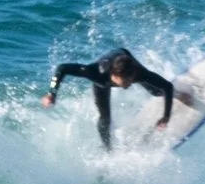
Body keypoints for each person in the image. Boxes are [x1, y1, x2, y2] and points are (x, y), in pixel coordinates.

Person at [44, 48, 177, 149]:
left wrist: (166, 116)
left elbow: (168, 86)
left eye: (130, 81)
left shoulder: (138, 73)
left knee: (156, 91)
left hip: (127, 59)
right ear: (114, 75)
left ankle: (179, 95)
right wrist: (52, 93)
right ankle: (107, 148)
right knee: (105, 118)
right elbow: (62, 68)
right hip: (103, 81)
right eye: (125, 81)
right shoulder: (95, 72)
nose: (128, 84)